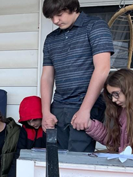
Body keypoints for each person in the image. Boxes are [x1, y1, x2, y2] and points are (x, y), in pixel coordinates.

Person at [41, 0, 114, 152]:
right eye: (51, 17)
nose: (55, 21)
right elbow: (47, 77)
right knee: (55, 160)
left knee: (78, 162)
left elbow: (102, 69)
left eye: (59, 15)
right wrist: (46, 112)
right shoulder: (50, 39)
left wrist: (85, 110)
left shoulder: (95, 26)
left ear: (73, 8)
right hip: (58, 107)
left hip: (85, 105)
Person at [85, 69, 133, 154]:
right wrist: (90, 125)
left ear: (132, 90)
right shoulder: (125, 111)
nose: (113, 99)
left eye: (116, 94)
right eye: (111, 95)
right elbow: (116, 142)